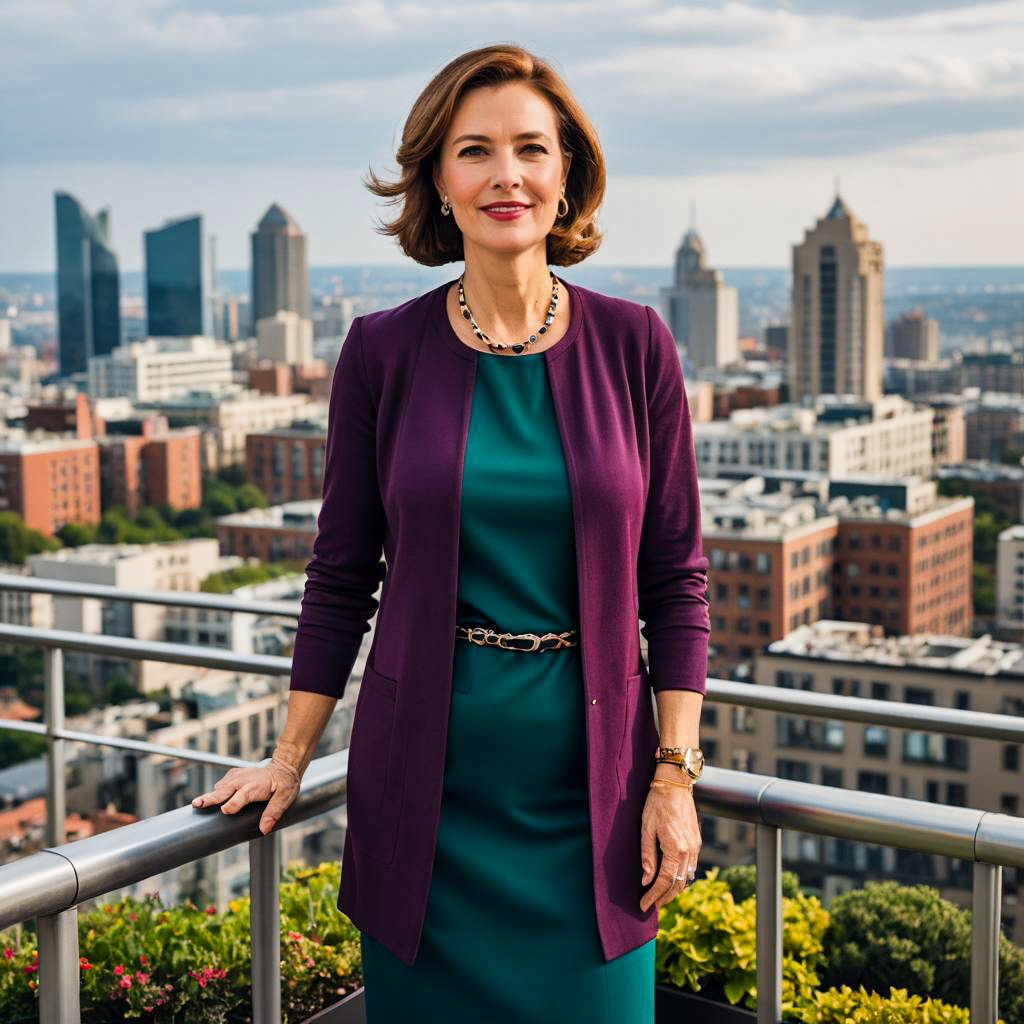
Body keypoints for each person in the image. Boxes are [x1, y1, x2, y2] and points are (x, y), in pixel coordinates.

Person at [192, 42, 710, 1023]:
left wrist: (673, 774)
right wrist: (290, 757)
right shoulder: (381, 351)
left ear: (567, 177)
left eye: (530, 149)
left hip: (594, 805)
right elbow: (341, 574)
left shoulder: (636, 343)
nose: (504, 174)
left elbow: (676, 580)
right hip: (424, 802)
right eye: (473, 151)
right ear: (436, 179)